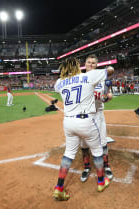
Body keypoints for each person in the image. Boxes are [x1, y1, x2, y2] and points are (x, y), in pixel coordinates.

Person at [52, 58, 114, 201]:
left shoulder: (59, 82)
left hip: (68, 122)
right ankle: (100, 182)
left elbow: (59, 85)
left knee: (68, 153)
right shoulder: (87, 76)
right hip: (86, 120)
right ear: (77, 67)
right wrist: (107, 69)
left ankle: (59, 187)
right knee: (98, 151)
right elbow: (110, 70)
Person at [79, 54, 115, 183]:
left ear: (96, 65)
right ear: (85, 64)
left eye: (93, 63)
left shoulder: (103, 79)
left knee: (103, 142)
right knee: (84, 144)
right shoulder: (80, 78)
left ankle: (106, 166)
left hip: (98, 115)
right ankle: (87, 167)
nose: (90, 64)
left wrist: (108, 97)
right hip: (84, 116)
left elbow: (108, 93)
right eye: (88, 62)